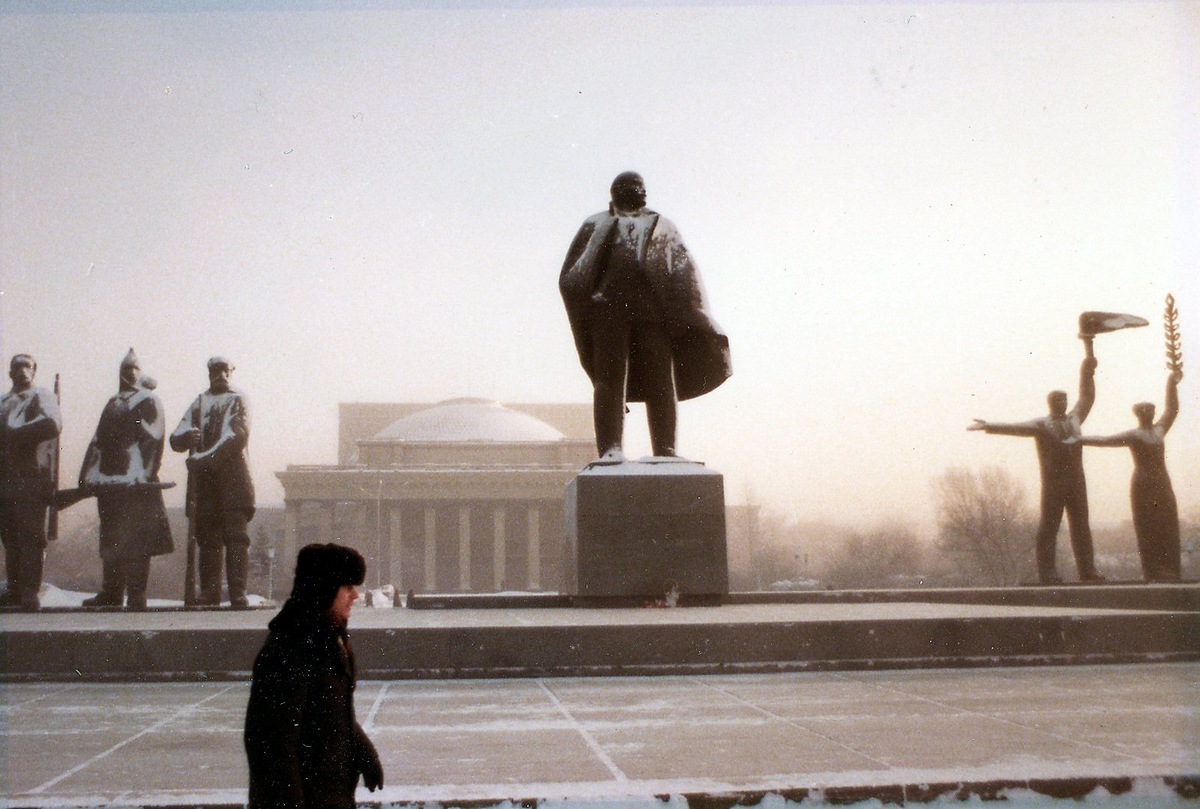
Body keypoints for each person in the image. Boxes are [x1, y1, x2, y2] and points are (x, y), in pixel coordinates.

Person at [559, 171, 731, 461]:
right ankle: (611, 450)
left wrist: (683, 313)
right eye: (631, 187)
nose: (639, 192)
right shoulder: (595, 224)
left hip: (653, 314)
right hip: (608, 313)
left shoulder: (663, 226)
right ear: (614, 192)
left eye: (641, 188)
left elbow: (682, 271)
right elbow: (572, 275)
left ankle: (665, 450)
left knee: (662, 381)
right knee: (609, 379)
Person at [244, 543, 384, 809]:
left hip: (331, 795)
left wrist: (365, 754)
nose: (355, 595)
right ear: (324, 590)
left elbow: (331, 714)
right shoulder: (291, 648)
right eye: (347, 587)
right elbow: (272, 743)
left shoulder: (330, 640)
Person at [969, 339, 1104, 584]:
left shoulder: (1075, 419)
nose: (1064, 403)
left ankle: (1088, 571)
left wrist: (1088, 370)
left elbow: (1087, 396)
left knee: (1081, 527)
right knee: (1049, 527)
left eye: (1065, 399)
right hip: (1054, 484)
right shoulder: (1041, 424)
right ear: (1051, 403)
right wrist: (989, 425)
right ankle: (1047, 572)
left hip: (1076, 482)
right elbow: (1016, 428)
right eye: (1059, 400)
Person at [79, 349, 173, 609]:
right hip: (110, 480)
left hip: (135, 482)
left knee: (138, 540)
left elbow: (152, 439)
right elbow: (97, 441)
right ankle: (111, 591)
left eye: (134, 369)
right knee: (111, 538)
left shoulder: (146, 401)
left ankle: (136, 594)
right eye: (126, 369)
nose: (130, 373)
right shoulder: (113, 402)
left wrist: (143, 474)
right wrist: (88, 475)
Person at [1075, 370, 1184, 581]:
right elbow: (1105, 440)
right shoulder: (1134, 435)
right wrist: (1079, 439)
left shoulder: (1160, 430)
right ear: (1139, 414)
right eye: (1145, 411)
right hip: (1143, 483)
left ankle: (1170, 567)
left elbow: (1172, 409)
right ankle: (1152, 569)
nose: (1150, 413)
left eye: (1151, 410)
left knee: (1167, 523)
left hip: (1162, 482)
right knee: (1147, 524)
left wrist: (1172, 382)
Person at [170, 356, 254, 606]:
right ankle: (210, 591)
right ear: (209, 375)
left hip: (233, 482)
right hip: (204, 485)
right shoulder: (199, 402)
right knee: (207, 539)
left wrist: (205, 459)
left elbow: (237, 435)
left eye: (224, 371)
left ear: (231, 373)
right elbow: (175, 438)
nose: (220, 375)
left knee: (236, 537)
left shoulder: (238, 399)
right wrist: (187, 436)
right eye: (215, 371)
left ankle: (238, 591)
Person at [0, 354, 62, 610]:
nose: (22, 370)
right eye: (17, 366)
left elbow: (52, 424)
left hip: (30, 479)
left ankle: (29, 590)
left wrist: (16, 435)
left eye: (27, 365)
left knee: (31, 537)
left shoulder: (41, 396)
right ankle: (13, 588)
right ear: (10, 372)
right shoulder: (3, 401)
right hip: (4, 479)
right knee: (9, 536)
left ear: (35, 370)